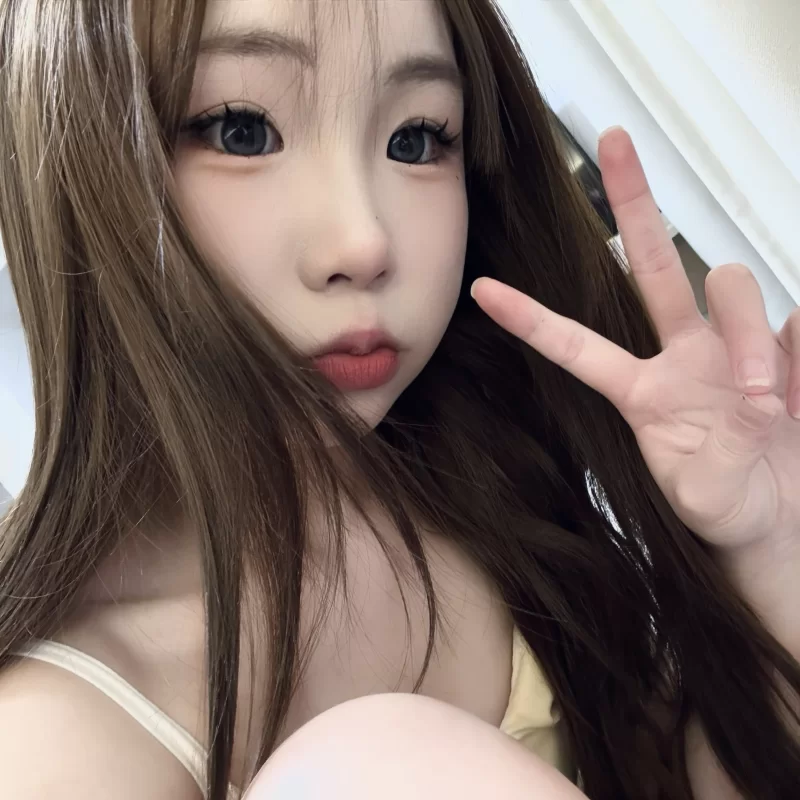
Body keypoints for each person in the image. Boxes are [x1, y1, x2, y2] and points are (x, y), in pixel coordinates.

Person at [0, 0, 798, 798]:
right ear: (77, 173)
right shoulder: (57, 744)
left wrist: (769, 550)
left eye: (416, 139)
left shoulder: (481, 465)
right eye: (241, 131)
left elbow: (660, 770)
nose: (366, 241)